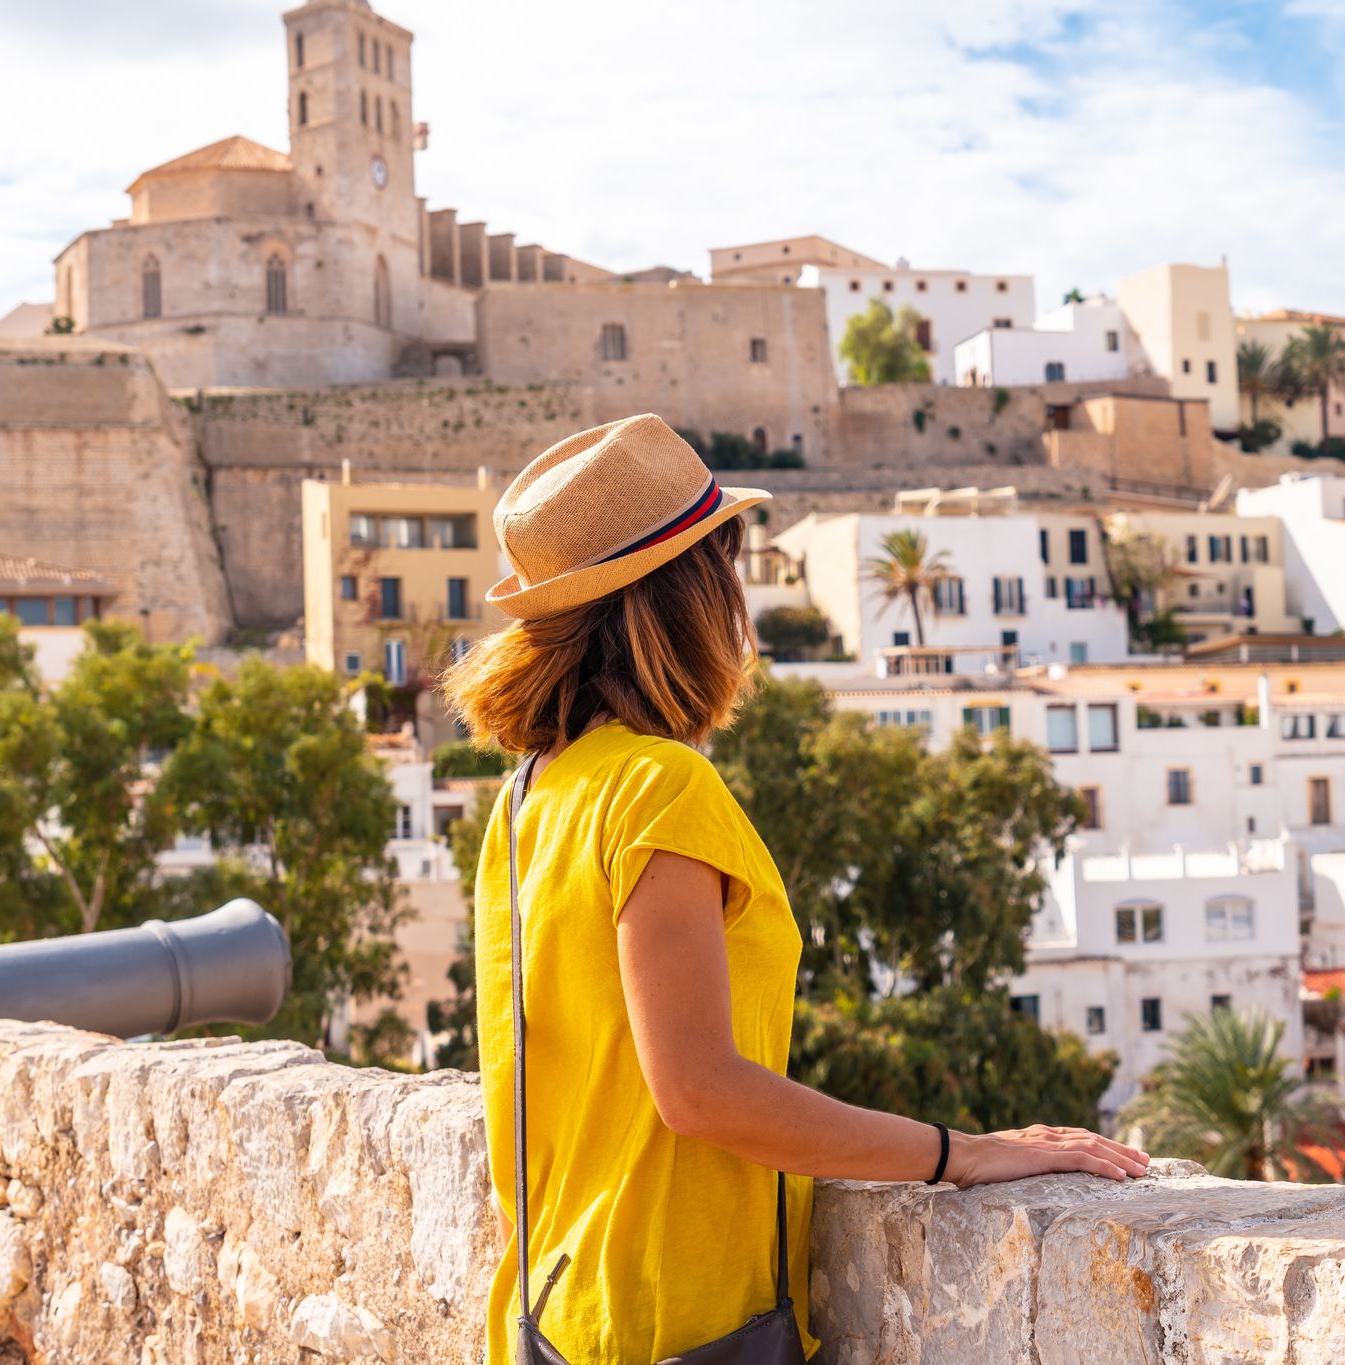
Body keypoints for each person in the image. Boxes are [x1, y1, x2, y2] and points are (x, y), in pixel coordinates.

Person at [443, 415, 1148, 1364]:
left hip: (562, 1309)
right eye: (725, 562)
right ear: (682, 594)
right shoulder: (658, 786)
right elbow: (699, 1090)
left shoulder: (532, 795)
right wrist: (962, 1152)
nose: (739, 593)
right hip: (674, 1323)